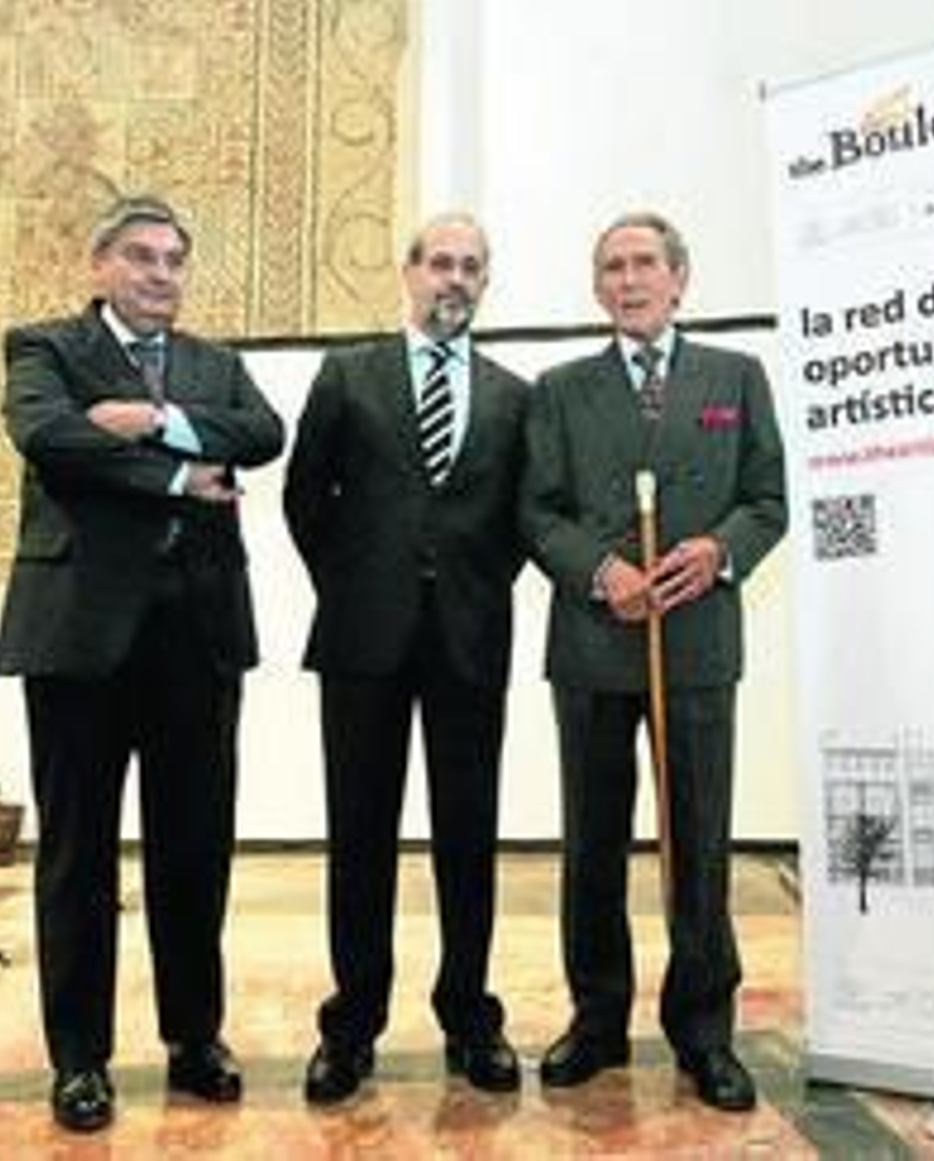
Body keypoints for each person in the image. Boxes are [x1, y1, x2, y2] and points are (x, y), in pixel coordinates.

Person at [0, 195, 285, 1133]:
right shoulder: (43, 348)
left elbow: (262, 433)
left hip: (197, 636)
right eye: (142, 257)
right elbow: (50, 438)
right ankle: (80, 1060)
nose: (162, 274)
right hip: (79, 633)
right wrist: (174, 474)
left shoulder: (212, 363)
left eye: (174, 260)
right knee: (78, 855)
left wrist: (150, 417)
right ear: (100, 264)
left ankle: (195, 1039)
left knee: (194, 846)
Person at [520, 211, 787, 1112]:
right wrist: (599, 570)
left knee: (698, 840)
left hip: (700, 645)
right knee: (592, 841)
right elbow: (537, 511)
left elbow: (767, 499)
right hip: (595, 649)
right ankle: (596, 1020)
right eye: (611, 268)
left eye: (643, 264)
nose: (628, 281)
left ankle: (705, 1029)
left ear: (680, 278)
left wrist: (719, 549)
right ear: (598, 289)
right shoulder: (559, 389)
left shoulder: (735, 378)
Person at [283, 212, 530, 1105]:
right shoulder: (348, 375)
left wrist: (461, 587)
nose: (452, 280)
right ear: (409, 272)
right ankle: (351, 1025)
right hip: (362, 641)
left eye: (471, 266)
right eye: (439, 263)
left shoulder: (513, 394)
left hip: (469, 643)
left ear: (485, 280)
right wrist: (356, 583)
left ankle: (471, 1015)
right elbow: (306, 498)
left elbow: (514, 524)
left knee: (468, 837)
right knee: (360, 835)